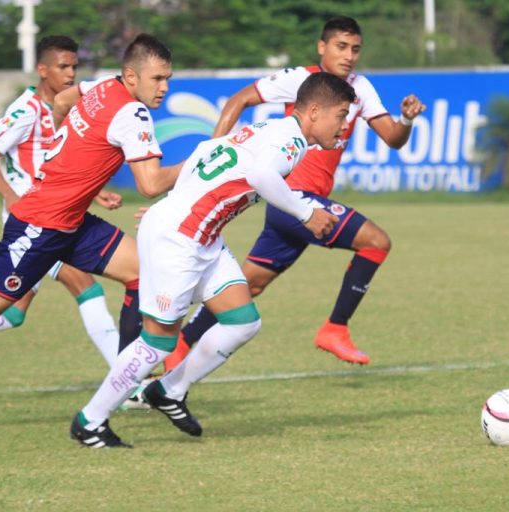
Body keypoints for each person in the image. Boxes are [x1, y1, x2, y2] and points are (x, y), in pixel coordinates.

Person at [70, 71, 353, 448]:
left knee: (243, 321)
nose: (345, 126)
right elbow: (261, 175)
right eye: (341, 115)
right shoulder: (291, 140)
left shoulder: (271, 128)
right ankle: (90, 420)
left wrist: (176, 203)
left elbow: (207, 151)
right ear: (314, 111)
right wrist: (306, 214)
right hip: (180, 239)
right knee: (157, 343)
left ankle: (168, 391)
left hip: (201, 238)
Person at [0, 34, 181, 423]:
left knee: (142, 271)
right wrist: (199, 161)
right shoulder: (132, 112)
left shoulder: (104, 87)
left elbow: (63, 101)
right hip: (39, 225)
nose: (165, 87)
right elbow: (150, 185)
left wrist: (70, 163)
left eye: (168, 77)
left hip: (70, 222)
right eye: (158, 78)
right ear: (132, 76)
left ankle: (126, 383)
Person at [164, 15, 425, 369]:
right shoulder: (301, 80)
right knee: (376, 242)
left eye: (355, 49)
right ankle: (335, 328)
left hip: (291, 206)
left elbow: (393, 138)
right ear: (322, 46)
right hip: (295, 199)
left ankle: (182, 343)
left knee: (249, 286)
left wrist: (406, 120)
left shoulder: (360, 88)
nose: (349, 55)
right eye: (341, 46)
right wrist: (216, 151)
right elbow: (240, 99)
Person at [0, 35, 121, 367]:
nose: (70, 74)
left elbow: (58, 163)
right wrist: (11, 197)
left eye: (74, 67)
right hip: (34, 222)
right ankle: (128, 378)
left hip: (55, 215)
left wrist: (95, 193)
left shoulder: (67, 109)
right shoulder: (26, 110)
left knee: (13, 313)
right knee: (87, 287)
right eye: (63, 67)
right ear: (43, 70)